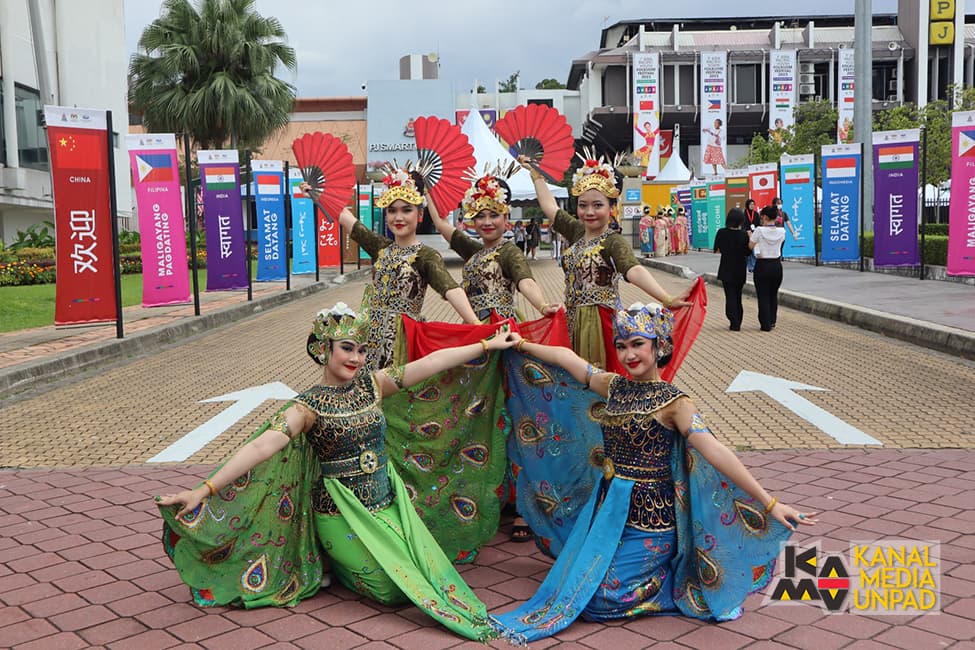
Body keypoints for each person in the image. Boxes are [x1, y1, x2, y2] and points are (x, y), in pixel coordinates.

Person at [155, 303, 517, 641]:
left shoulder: (372, 385)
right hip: (338, 510)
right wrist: (203, 490)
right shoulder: (306, 407)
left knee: (426, 573)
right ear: (323, 350)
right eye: (347, 348)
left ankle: (340, 559)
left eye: (361, 350)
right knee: (390, 591)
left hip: (385, 502)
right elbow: (261, 446)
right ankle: (330, 556)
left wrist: (486, 345)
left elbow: (432, 363)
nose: (356, 358)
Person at [492, 306, 815, 641]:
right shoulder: (615, 387)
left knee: (597, 600)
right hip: (608, 515)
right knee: (576, 586)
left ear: (658, 346)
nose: (628, 354)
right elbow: (566, 359)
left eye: (637, 344)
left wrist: (769, 503)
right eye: (621, 345)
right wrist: (521, 345)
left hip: (653, 524)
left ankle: (673, 585)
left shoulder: (676, 403)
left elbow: (715, 451)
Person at [520, 151, 692, 375]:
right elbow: (550, 208)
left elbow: (634, 270)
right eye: (583, 205)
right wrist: (535, 174)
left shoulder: (613, 241)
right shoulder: (577, 231)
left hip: (600, 322)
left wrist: (666, 298)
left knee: (600, 377)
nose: (589, 212)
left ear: (611, 207)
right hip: (571, 318)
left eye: (597, 205)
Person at [306, 167, 480, 371]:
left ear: (420, 215)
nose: (399, 217)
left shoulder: (426, 255)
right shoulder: (380, 247)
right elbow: (347, 218)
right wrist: (317, 193)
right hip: (368, 335)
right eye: (392, 210)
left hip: (403, 341)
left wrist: (477, 324)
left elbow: (451, 289)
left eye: (406, 210)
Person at [713, 208, 750, 331]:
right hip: (740, 268)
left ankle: (733, 320)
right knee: (738, 295)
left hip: (726, 267)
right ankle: (738, 320)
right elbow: (747, 252)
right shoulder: (744, 234)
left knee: (730, 295)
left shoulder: (721, 232)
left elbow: (716, 249)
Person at [750, 206, 786, 331]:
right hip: (776, 265)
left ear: (764, 217)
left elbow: (750, 246)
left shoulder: (759, 230)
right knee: (773, 294)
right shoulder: (782, 231)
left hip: (762, 265)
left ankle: (765, 324)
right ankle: (772, 321)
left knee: (763, 295)